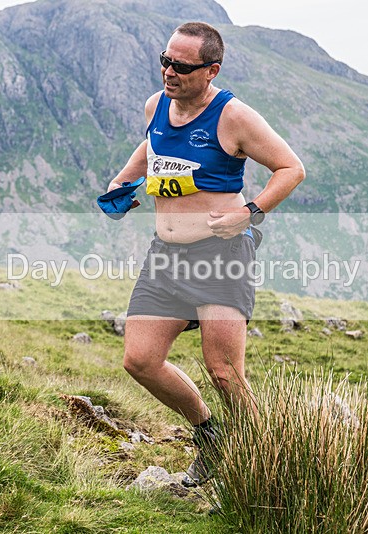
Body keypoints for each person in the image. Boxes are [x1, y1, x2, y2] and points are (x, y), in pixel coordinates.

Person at [105, 21, 305, 486]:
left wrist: (250, 212)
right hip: (165, 256)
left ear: (211, 70)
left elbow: (291, 168)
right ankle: (210, 437)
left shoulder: (233, 117)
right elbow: (151, 144)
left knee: (224, 373)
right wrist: (121, 182)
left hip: (221, 253)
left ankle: (268, 463)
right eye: (164, 60)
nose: (168, 72)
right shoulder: (158, 105)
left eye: (181, 66)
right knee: (140, 361)